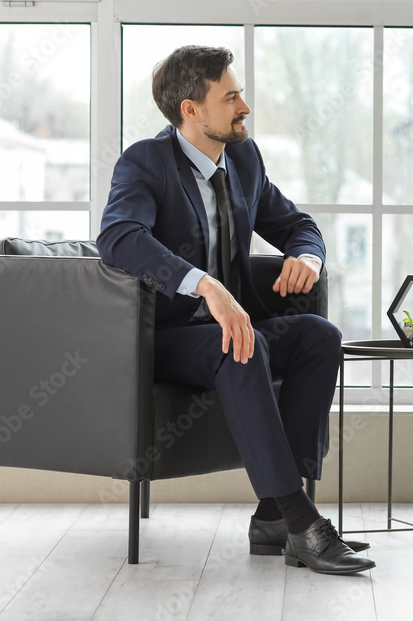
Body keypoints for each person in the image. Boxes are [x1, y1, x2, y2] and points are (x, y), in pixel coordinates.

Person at [97, 45, 374, 575]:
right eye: (231, 97)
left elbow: (298, 225)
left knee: (319, 335)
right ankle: (301, 522)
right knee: (240, 343)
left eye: (240, 93)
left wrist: (307, 257)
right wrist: (204, 286)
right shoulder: (145, 163)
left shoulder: (243, 159)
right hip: (166, 337)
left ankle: (274, 515)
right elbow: (118, 237)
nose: (244, 106)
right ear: (191, 110)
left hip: (236, 323)